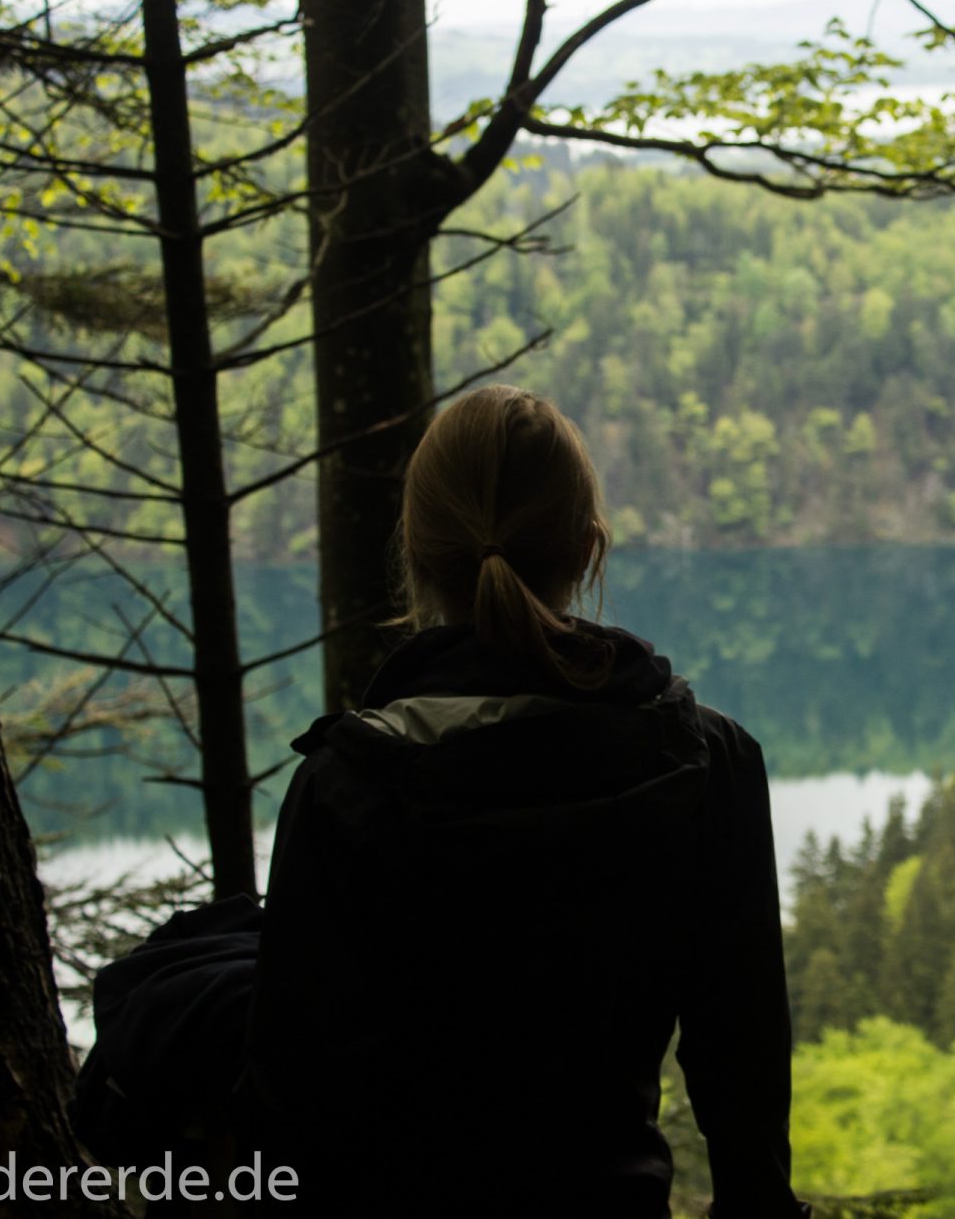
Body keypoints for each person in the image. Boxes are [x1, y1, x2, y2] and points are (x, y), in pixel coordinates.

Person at [77, 387, 805, 1216]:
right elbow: (741, 1071)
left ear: (417, 557)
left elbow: (289, 1106)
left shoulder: (347, 783)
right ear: (589, 549)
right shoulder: (712, 763)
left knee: (200, 965)